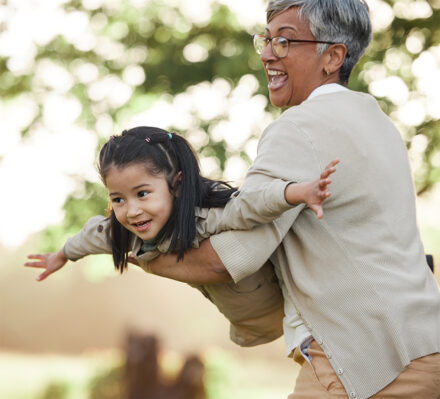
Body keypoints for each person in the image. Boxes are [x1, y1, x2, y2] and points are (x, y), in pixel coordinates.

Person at [137, 1, 440, 398]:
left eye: (284, 41)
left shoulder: (297, 128)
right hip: (425, 345)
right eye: (266, 39)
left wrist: (138, 251)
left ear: (333, 56)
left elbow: (230, 258)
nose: (266, 54)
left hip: (368, 363)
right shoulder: (379, 123)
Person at [25, 126, 338, 347]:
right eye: (118, 199)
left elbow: (250, 204)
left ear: (176, 184)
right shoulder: (124, 233)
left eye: (143, 193)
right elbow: (89, 236)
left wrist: (297, 192)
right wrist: (61, 256)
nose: (131, 211)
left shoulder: (209, 212)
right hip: (250, 321)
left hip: (286, 297)